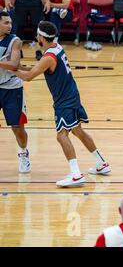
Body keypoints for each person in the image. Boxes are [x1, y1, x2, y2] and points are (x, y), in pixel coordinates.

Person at [9, 21, 111, 187]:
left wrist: (9, 68)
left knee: (61, 135)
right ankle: (101, 163)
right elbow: (34, 69)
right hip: (72, 95)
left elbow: (28, 77)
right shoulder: (56, 47)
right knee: (78, 131)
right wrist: (16, 66)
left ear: (42, 37)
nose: (36, 37)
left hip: (65, 100)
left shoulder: (48, 57)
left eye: (37, 35)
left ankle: (76, 175)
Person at [0, 11, 30, 173]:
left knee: (17, 127)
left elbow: (14, 65)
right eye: (6, 23)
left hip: (11, 88)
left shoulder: (15, 41)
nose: (10, 26)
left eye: (10, 22)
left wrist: (4, 64)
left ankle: (24, 153)